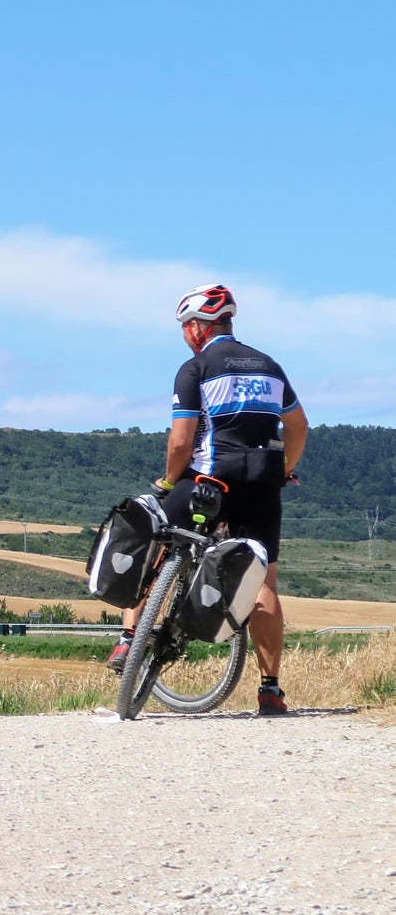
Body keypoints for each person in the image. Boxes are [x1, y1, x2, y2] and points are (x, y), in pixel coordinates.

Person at [107, 284, 308, 715]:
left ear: (197, 328)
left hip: (210, 480)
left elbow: (181, 443)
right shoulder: (270, 367)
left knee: (152, 539)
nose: (184, 334)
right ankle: (271, 690)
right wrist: (287, 468)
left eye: (184, 327)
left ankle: (127, 642)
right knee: (263, 583)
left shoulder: (196, 367)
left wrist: (166, 481)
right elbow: (298, 426)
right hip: (262, 484)